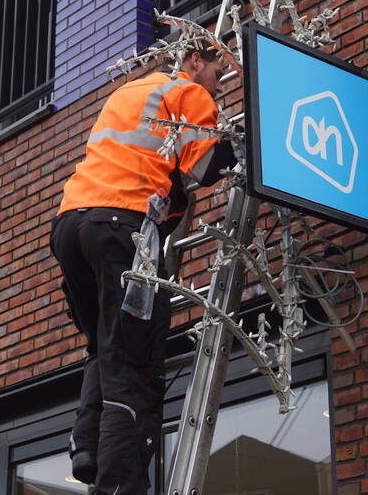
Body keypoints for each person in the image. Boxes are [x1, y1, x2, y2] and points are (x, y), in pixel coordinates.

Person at [50, 46, 236, 494]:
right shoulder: (187, 91)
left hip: (71, 225)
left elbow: (144, 162)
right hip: (120, 227)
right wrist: (243, 141)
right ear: (193, 61)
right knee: (133, 361)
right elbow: (207, 165)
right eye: (216, 72)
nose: (218, 84)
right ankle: (119, 485)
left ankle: (87, 445)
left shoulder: (131, 93)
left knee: (105, 343)